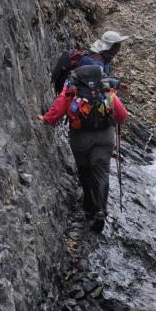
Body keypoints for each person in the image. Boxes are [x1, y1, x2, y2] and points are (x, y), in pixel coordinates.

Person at [39, 65, 128, 231]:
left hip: (80, 138)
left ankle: (89, 206)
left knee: (85, 171)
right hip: (104, 138)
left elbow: (59, 107)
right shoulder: (106, 90)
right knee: (101, 172)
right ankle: (101, 208)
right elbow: (122, 115)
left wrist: (46, 119)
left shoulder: (73, 90)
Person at [51, 30, 130, 95]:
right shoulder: (98, 62)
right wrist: (117, 84)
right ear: (111, 46)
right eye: (117, 46)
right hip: (75, 95)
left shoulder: (97, 55)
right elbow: (99, 79)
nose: (118, 50)